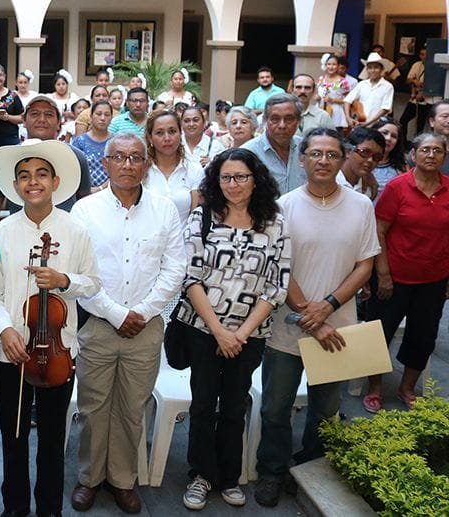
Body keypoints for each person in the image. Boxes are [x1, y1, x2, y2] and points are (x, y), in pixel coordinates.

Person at [254, 128, 379, 508]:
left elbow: (365, 264)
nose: (323, 160)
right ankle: (272, 471)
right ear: (302, 159)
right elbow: (278, 265)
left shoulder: (361, 206)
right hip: (287, 327)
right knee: (276, 407)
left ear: (342, 161)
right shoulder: (284, 205)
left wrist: (327, 305)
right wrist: (310, 313)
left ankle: (310, 470)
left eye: (331, 154)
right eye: (315, 153)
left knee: (325, 409)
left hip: (339, 327)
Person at [69, 133, 187, 513]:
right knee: (92, 406)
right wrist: (117, 314)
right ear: (105, 164)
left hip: (147, 324)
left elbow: (175, 267)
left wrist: (144, 310)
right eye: (118, 157)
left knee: (131, 407)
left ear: (146, 164)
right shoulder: (85, 210)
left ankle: (122, 479)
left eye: (135, 157)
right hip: (99, 322)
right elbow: (78, 272)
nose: (127, 164)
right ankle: (89, 477)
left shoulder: (164, 209)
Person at [0, 140, 101, 517]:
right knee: (13, 434)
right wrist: (5, 330)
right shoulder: (2, 232)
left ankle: (50, 508)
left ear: (55, 181)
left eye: (40, 175)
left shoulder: (75, 230)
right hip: (12, 350)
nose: (32, 182)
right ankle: (15, 507)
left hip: (57, 353)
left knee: (53, 437)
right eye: (24, 176)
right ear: (15, 186)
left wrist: (65, 279)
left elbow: (93, 283)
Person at [178, 149, 290, 511]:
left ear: (255, 179)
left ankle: (229, 476)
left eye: (241, 176)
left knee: (234, 405)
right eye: (226, 177)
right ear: (216, 181)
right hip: (201, 329)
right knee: (204, 403)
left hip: (250, 334)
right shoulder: (202, 218)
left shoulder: (274, 222)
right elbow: (190, 277)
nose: (233, 184)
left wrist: (240, 333)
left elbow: (277, 285)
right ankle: (200, 474)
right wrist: (219, 331)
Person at [364, 133, 449, 411]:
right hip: (394, 278)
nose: (431, 155)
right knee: (380, 333)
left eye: (438, 150)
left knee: (424, 336)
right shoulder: (399, 187)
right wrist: (384, 274)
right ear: (414, 154)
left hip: (434, 279)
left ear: (444, 157)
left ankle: (407, 387)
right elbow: (380, 230)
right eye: (425, 149)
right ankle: (375, 387)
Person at [0, 95, 92, 226]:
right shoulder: (7, 158)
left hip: (65, 238)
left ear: (59, 122)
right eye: (35, 114)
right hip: (18, 238)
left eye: (49, 114)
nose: (42, 119)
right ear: (23, 120)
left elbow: (85, 206)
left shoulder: (76, 157)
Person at [144, 109, 203, 224]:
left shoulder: (194, 169)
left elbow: (194, 218)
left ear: (180, 134)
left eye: (172, 131)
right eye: (160, 133)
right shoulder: (141, 170)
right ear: (150, 138)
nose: (167, 138)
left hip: (183, 240)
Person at [242, 94, 306, 194]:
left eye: (289, 119)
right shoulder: (248, 153)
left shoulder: (307, 150)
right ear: (264, 121)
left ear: (299, 121)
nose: (282, 125)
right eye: (275, 119)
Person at [345, 51, 395, 128]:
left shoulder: (388, 86)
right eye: (370, 68)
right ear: (367, 70)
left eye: (376, 67)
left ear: (382, 69)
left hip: (378, 126)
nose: (372, 70)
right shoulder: (362, 84)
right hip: (360, 124)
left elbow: (385, 108)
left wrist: (368, 123)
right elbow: (347, 100)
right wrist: (348, 118)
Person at [71, 100, 113, 189]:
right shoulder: (79, 142)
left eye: (107, 115)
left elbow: (119, 172)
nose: (102, 118)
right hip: (84, 193)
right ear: (91, 116)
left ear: (111, 118)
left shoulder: (116, 142)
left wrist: (100, 188)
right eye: (98, 114)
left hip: (110, 192)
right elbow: (73, 170)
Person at [336, 126, 384, 198]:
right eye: (365, 152)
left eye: (377, 157)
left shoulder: (369, 189)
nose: (370, 160)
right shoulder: (329, 181)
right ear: (348, 151)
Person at [400, 46, 432, 136]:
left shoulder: (434, 67)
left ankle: (418, 146)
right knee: (403, 121)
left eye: (426, 54)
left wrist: (423, 91)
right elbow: (407, 80)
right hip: (414, 99)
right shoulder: (416, 65)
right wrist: (414, 81)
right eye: (422, 54)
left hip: (426, 101)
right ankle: (404, 144)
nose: (424, 57)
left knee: (420, 126)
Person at [370, 117, 406, 196]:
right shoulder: (360, 160)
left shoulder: (401, 166)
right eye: (384, 133)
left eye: (394, 136)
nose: (388, 138)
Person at [317, 54, 350, 130]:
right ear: (325, 65)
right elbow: (319, 94)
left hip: (336, 113)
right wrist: (317, 97)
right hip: (321, 109)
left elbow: (348, 100)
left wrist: (333, 100)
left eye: (334, 64)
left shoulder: (342, 81)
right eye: (329, 64)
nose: (331, 67)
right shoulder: (321, 79)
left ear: (338, 66)